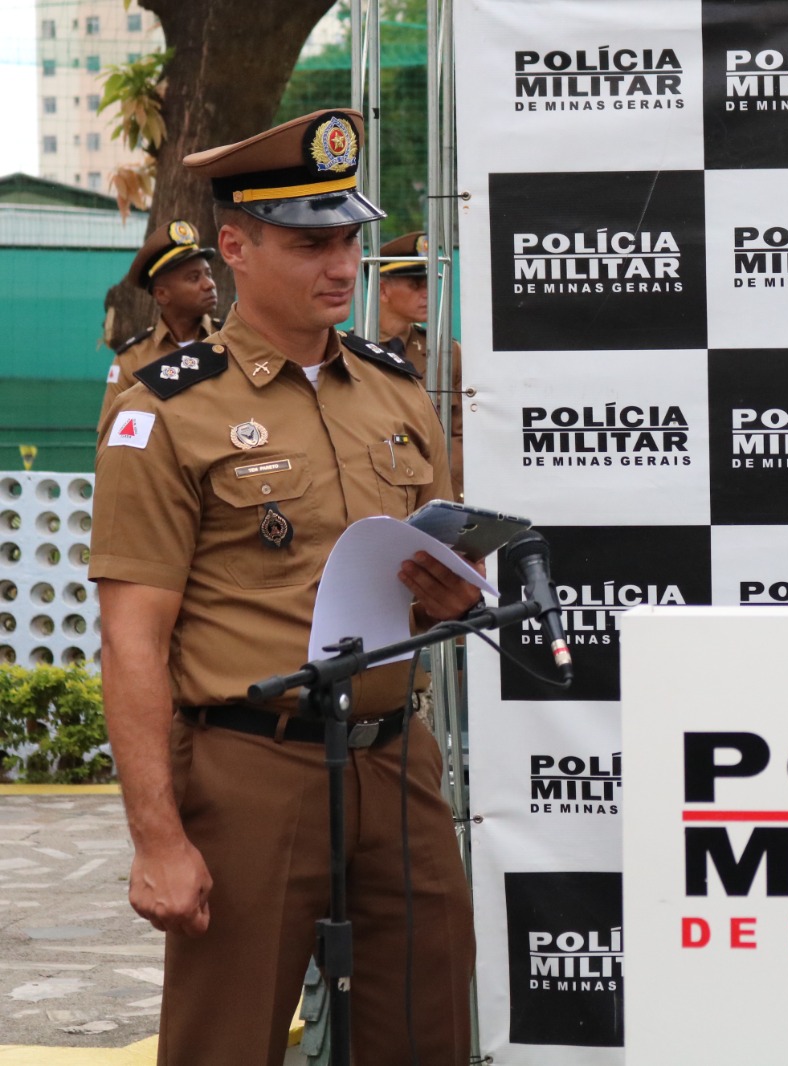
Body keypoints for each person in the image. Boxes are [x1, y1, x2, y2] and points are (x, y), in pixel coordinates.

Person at [90, 109, 478, 1064]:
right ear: (236, 248)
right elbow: (132, 641)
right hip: (250, 769)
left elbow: (434, 575)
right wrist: (158, 839)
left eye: (347, 239)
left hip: (395, 760)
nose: (342, 266)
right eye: (310, 244)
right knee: (225, 1044)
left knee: (426, 1032)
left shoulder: (396, 393)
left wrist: (455, 596)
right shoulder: (165, 411)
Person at [99, 220, 220, 434]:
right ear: (162, 294)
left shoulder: (231, 342)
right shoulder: (132, 359)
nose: (209, 284)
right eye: (194, 278)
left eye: (208, 274)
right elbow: (113, 435)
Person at [377, 230, 465, 500]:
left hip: (437, 495)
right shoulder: (349, 352)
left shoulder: (446, 353)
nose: (427, 293)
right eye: (416, 285)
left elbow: (462, 436)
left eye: (429, 283)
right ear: (382, 290)